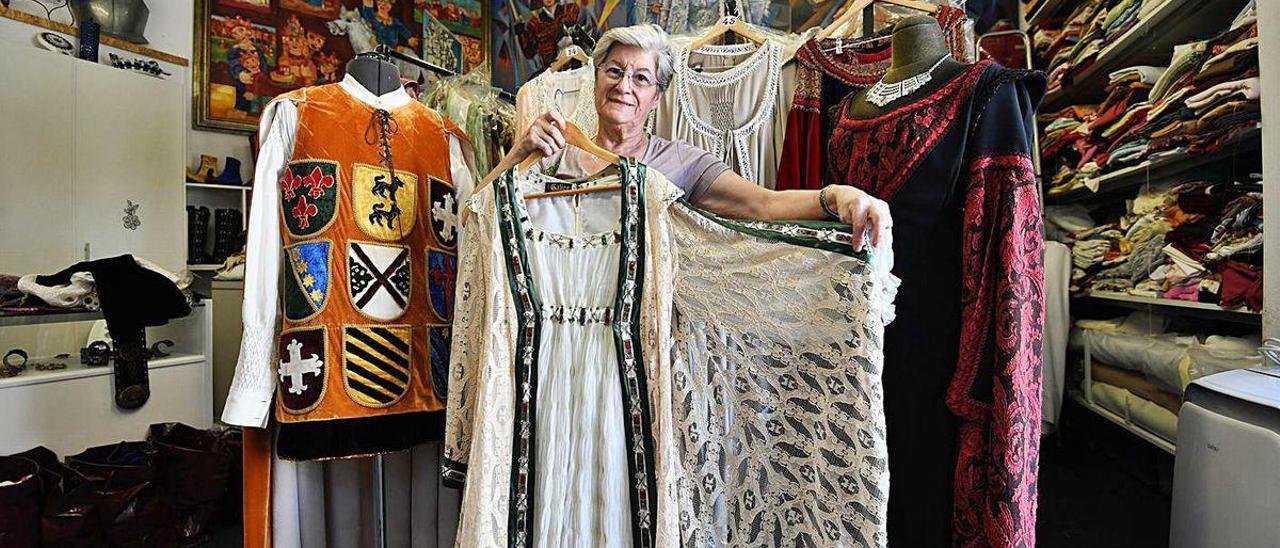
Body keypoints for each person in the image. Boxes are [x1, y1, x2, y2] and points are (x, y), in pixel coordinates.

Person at [492, 24, 892, 250]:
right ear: (595, 78)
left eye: (641, 78)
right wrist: (519, 153)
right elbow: (481, 216)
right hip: (561, 327)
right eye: (614, 71)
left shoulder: (681, 163)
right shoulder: (556, 154)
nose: (624, 87)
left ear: (656, 97)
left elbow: (764, 205)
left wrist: (838, 195)